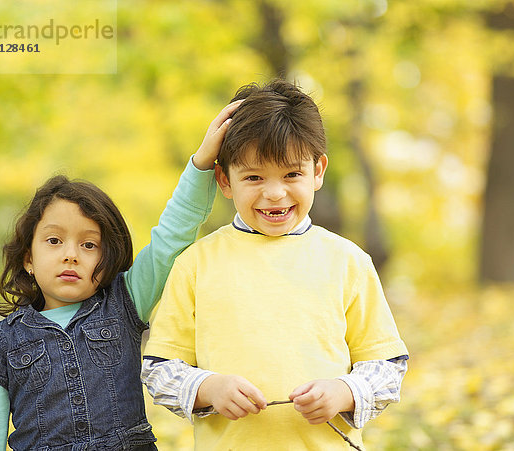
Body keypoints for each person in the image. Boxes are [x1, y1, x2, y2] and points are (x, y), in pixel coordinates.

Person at [141, 79, 409, 450]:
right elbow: (158, 369)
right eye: (253, 177)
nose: (274, 192)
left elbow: (387, 366)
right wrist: (207, 387)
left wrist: (345, 391)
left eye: (291, 174)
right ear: (224, 179)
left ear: (318, 172)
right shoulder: (196, 264)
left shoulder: (348, 262)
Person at [0, 100, 242, 450]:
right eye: (54, 241)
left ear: (108, 258)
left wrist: (201, 163)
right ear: (28, 260)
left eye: (89, 245)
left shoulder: (126, 303)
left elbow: (171, 236)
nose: (70, 254)